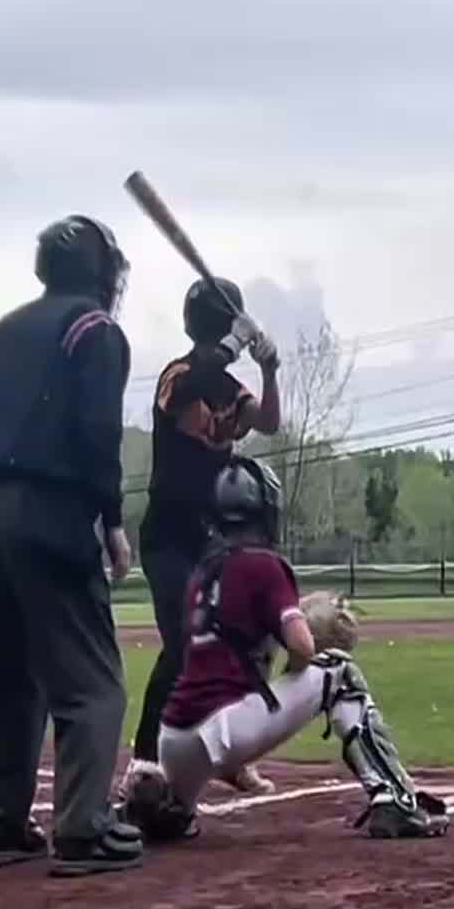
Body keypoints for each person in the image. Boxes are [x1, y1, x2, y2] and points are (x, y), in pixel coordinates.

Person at [118, 456, 451, 843]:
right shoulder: (265, 566)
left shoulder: (202, 573)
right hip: (226, 728)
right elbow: (303, 647)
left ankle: (163, 806)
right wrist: (296, 666)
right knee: (340, 673)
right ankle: (394, 799)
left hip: (174, 738)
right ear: (265, 511)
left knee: (172, 822)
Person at [0, 214, 146, 876]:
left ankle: (1, 826)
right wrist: (111, 521)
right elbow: (97, 433)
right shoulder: (95, 330)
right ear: (102, 272)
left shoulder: (5, 329)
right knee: (93, 682)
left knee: (16, 678)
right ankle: (83, 829)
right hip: (48, 506)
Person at [127, 277, 283, 799]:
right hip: (168, 538)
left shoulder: (230, 389)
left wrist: (269, 368)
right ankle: (145, 759)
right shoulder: (179, 376)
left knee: (242, 643)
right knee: (182, 644)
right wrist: (236, 342)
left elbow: (270, 421)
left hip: (213, 541)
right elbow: (193, 385)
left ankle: (234, 757)